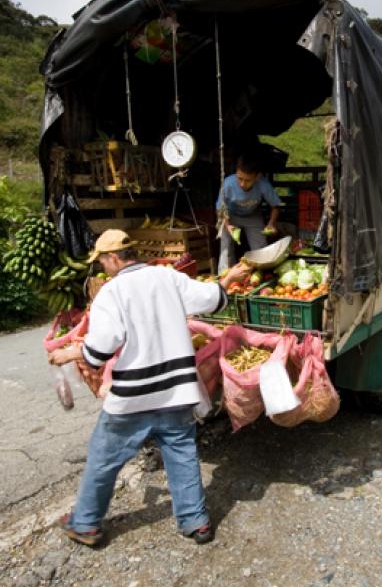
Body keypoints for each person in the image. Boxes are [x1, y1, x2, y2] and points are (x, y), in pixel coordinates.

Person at [48, 229, 249, 548]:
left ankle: (85, 524)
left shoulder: (111, 294)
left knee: (104, 456)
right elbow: (211, 299)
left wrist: (71, 353)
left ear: (113, 258)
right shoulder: (166, 277)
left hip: (133, 398)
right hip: (177, 391)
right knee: (181, 452)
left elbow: (99, 351)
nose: (103, 267)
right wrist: (228, 279)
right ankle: (196, 522)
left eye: (102, 261)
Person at [216, 151, 282, 274]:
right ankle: (224, 278)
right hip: (230, 216)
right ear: (236, 172)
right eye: (239, 178)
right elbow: (220, 208)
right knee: (226, 249)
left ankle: (261, 277)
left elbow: (275, 206)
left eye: (247, 180)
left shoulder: (263, 185)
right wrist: (227, 225)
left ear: (257, 177)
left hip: (253, 216)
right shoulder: (228, 183)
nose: (242, 184)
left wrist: (272, 223)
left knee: (261, 251)